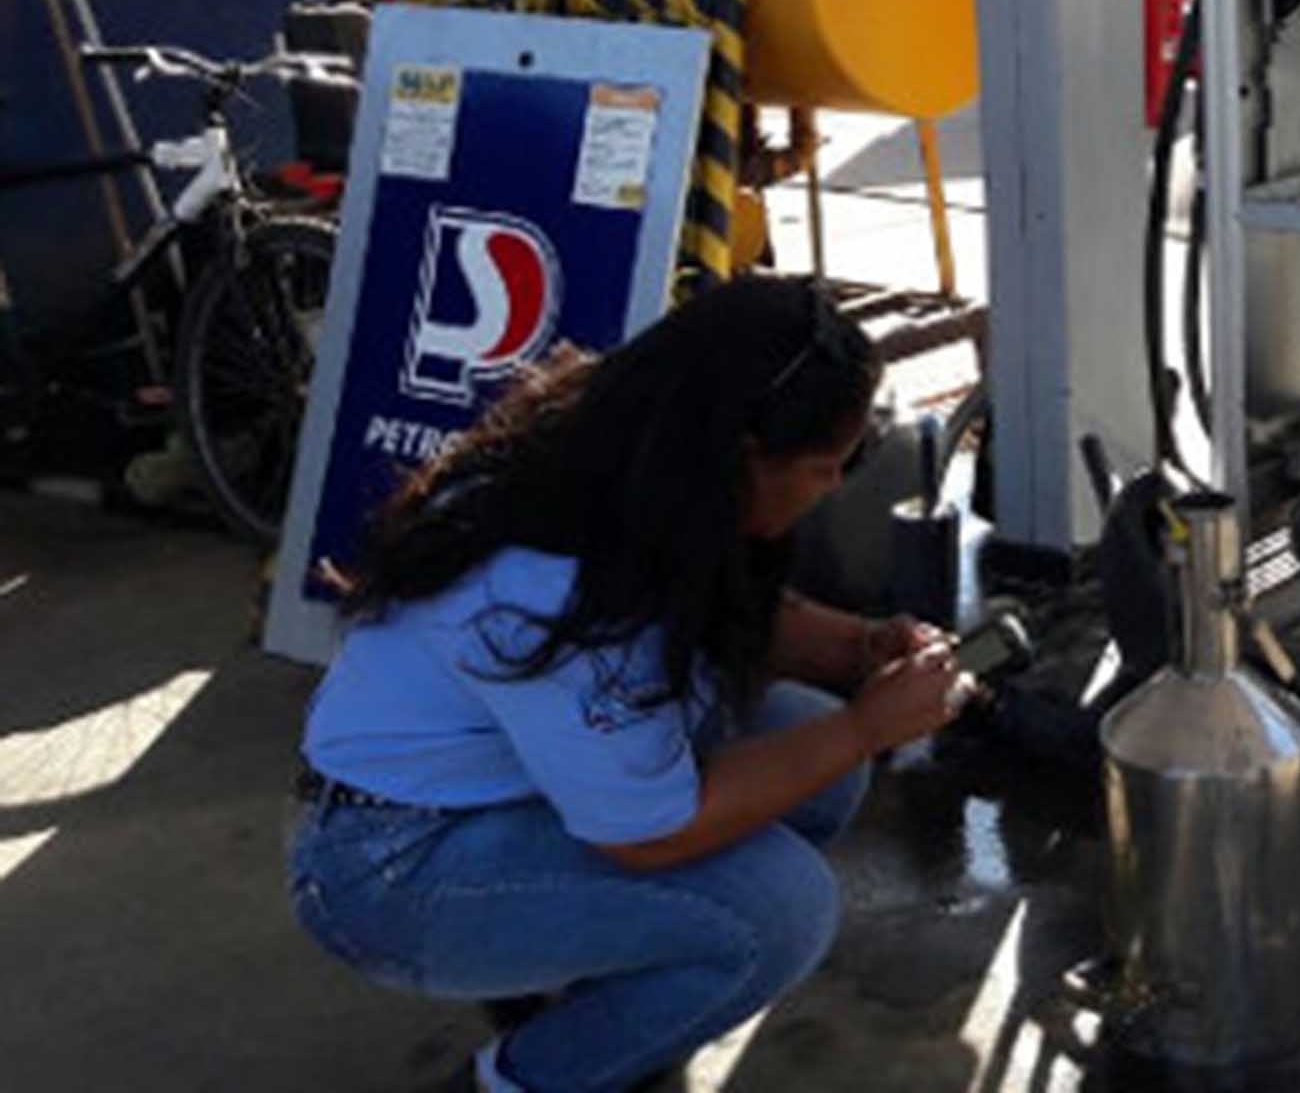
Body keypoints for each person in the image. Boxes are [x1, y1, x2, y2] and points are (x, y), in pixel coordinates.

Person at [288, 274, 972, 1093]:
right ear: (744, 454)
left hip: (491, 791)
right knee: (781, 911)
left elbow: (728, 604)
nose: (837, 484)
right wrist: (867, 725)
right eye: (829, 464)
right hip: (391, 868)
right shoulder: (552, 582)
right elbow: (652, 834)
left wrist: (862, 648)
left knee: (810, 756)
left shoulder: (634, 448)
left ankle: (594, 982)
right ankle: (517, 1080)